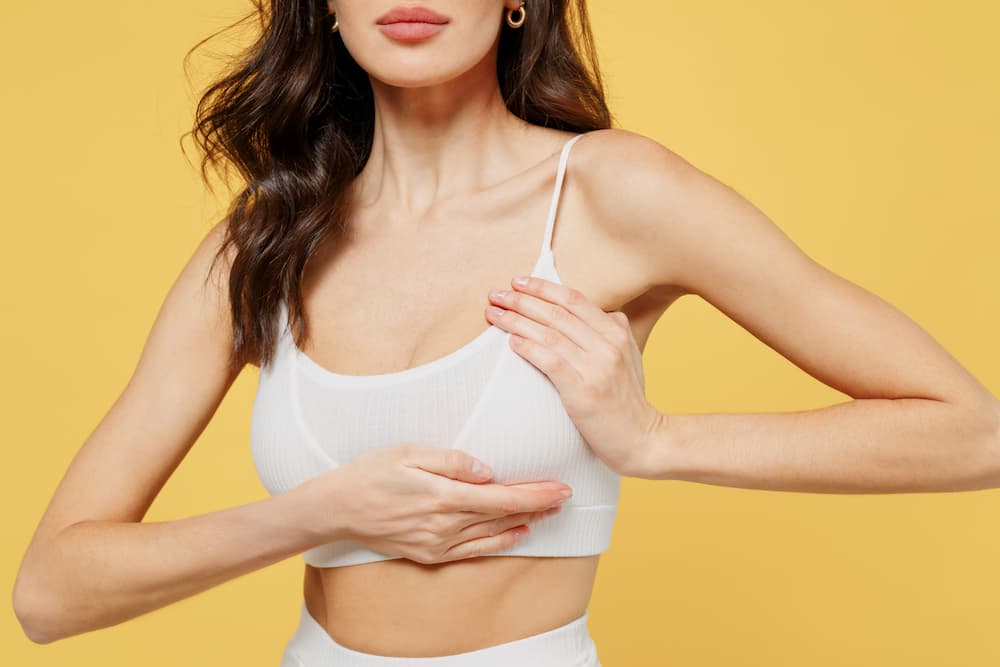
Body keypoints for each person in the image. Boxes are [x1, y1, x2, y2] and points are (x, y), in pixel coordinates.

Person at [13, 1, 1000, 665]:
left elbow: (974, 432)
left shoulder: (615, 191)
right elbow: (52, 593)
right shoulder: (265, 242)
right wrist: (321, 511)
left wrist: (657, 440)